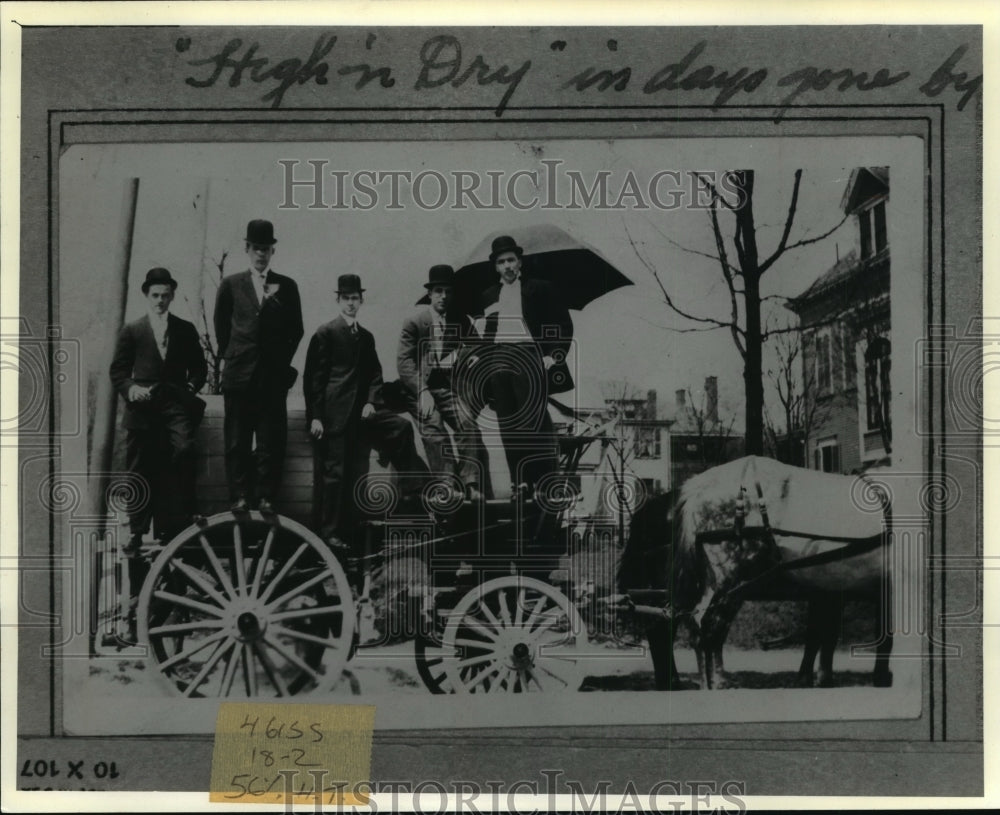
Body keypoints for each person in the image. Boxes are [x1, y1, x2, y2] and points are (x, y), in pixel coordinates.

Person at [304, 274, 428, 549]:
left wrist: (372, 401)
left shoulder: (366, 336)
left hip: (364, 413)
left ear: (361, 300)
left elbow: (374, 373)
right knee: (337, 474)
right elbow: (314, 379)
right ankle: (330, 532)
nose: (351, 303)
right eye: (346, 298)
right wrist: (315, 416)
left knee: (401, 427)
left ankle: (413, 490)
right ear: (338, 300)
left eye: (355, 298)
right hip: (335, 417)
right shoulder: (325, 333)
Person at [110, 268, 207, 548]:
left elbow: (199, 369)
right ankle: (137, 531)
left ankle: (181, 517)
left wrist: (189, 389)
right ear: (146, 295)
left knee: (184, 449)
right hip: (142, 409)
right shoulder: (133, 330)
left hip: (175, 404)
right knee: (140, 467)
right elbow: (118, 371)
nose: (160, 300)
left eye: (165, 295)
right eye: (155, 295)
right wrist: (131, 389)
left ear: (172, 295)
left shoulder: (185, 329)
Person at [213, 219, 303, 512]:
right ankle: (239, 497)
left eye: (266, 249)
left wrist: (278, 363)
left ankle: (266, 497)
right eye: (256, 248)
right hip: (239, 377)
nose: (261, 254)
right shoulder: (230, 285)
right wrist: (236, 355)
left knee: (270, 442)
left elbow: (296, 330)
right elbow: (221, 327)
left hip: (272, 380)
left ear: (272, 251)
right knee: (237, 442)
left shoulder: (287, 286)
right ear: (247, 249)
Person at [475, 235, 574, 496]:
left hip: (529, 355)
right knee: (508, 425)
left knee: (533, 422)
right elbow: (488, 334)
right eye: (501, 262)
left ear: (519, 262)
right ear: (495, 267)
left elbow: (562, 325)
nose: (507, 266)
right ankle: (520, 482)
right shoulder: (488, 295)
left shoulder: (539, 288)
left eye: (511, 260)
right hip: (499, 360)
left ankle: (542, 482)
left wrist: (553, 356)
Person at [397, 264, 486, 502]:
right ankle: (447, 485)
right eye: (438, 291)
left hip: (447, 389)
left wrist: (461, 354)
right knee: (434, 429)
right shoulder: (414, 322)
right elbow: (404, 363)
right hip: (420, 390)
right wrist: (422, 391)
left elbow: (477, 349)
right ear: (430, 293)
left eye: (448, 291)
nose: (443, 297)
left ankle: (471, 484)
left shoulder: (461, 320)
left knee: (467, 423)